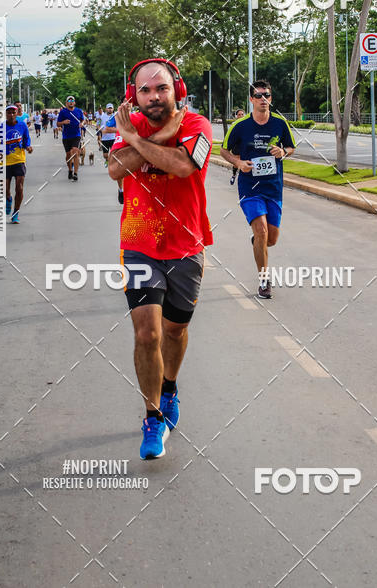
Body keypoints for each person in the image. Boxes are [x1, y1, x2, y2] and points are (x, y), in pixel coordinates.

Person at [108, 59, 212, 461]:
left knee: (174, 331)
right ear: (134, 94)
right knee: (147, 334)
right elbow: (115, 170)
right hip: (138, 243)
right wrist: (144, 139)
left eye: (161, 89)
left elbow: (184, 166)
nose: (154, 96)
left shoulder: (197, 126)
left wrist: (140, 139)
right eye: (146, 90)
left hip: (186, 245)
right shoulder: (130, 126)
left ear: (176, 90)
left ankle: (170, 388)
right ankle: (152, 416)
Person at [220, 80, 295, 300]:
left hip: (273, 187)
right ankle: (264, 280)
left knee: (271, 238)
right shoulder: (240, 126)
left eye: (267, 95)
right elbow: (223, 151)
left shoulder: (280, 124)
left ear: (271, 99)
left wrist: (283, 152)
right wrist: (238, 163)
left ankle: (259, 243)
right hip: (249, 187)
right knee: (261, 230)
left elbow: (290, 147)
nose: (264, 99)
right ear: (251, 99)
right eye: (259, 95)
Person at [0, 104, 33, 224]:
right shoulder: (1, 127)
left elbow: (26, 138)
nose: (11, 115)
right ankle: (8, 199)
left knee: (19, 187)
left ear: (16, 114)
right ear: (6, 114)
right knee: (4, 189)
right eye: (9, 112)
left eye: (13, 112)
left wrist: (28, 146)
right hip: (5, 162)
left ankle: (15, 213)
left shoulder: (22, 125)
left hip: (19, 160)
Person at [57, 95, 85, 181]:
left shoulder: (79, 111)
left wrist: (82, 123)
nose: (71, 102)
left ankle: (75, 173)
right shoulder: (63, 112)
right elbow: (58, 124)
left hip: (76, 135)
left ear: (74, 102)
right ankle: (70, 170)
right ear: (66, 103)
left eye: (72, 100)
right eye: (69, 100)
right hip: (66, 136)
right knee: (68, 155)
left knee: (75, 152)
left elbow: (82, 120)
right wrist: (63, 122)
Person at [103, 98, 125, 203]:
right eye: (125, 101)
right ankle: (121, 190)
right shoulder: (116, 115)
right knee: (120, 168)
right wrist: (120, 130)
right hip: (120, 142)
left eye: (130, 101)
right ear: (121, 104)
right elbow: (107, 128)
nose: (128, 103)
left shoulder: (137, 114)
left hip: (133, 143)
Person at [229, 108, 246, 185]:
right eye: (239, 114)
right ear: (236, 116)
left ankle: (244, 177)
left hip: (245, 145)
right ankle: (234, 175)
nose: (241, 116)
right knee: (236, 162)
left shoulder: (247, 123)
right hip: (236, 145)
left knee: (245, 160)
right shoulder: (234, 124)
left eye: (242, 114)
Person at [100, 102, 117, 167]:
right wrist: (101, 130)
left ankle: (112, 164)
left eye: (111, 108)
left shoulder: (115, 116)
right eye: (108, 108)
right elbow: (98, 125)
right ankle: (107, 160)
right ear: (106, 109)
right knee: (105, 155)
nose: (110, 109)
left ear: (113, 109)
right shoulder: (102, 116)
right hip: (104, 138)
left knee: (114, 154)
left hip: (113, 137)